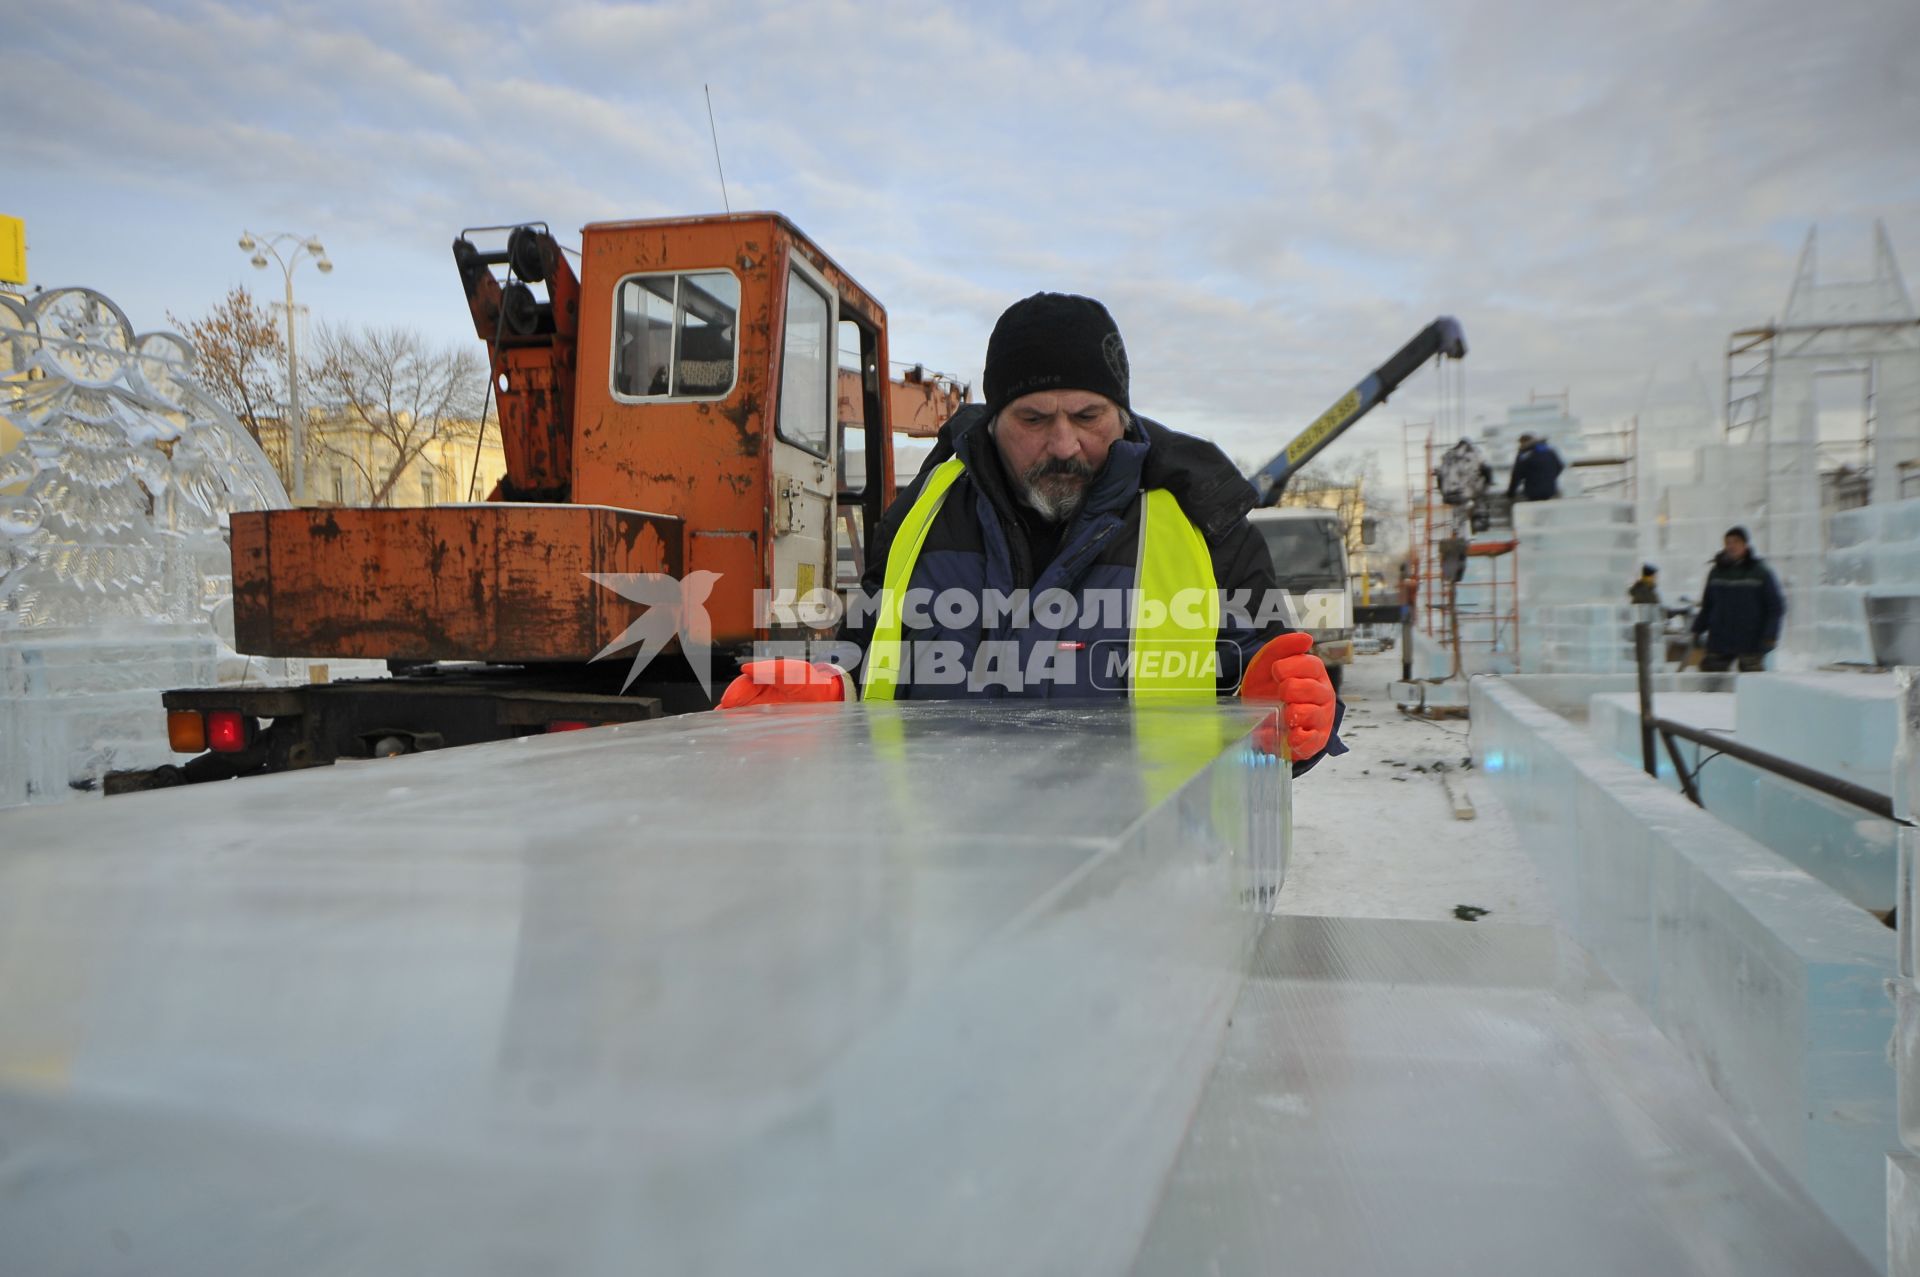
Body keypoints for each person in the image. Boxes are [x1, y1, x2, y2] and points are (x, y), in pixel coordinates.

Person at [718, 291, 1344, 771]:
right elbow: (867, 650)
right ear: (994, 419)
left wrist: (1286, 715)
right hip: (947, 881)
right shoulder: (926, 515)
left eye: (1088, 415)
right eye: (1034, 418)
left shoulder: (1202, 520)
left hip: (1150, 892)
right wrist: (829, 688)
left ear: (1122, 417)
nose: (1064, 443)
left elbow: (1277, 675)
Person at [1690, 527, 1784, 673]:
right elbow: (1708, 605)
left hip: (1751, 642)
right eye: (1728, 542)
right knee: (1710, 686)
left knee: (1752, 686)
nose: (1731, 546)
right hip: (1719, 640)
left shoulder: (1760, 572)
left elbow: (1775, 607)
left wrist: (1770, 636)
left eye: (1736, 542)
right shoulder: (1716, 573)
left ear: (1745, 545)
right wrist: (1697, 630)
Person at [1506, 432, 1564, 502]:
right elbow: (1560, 466)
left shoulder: (1524, 455)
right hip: (1550, 489)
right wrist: (1549, 477)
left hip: (1532, 492)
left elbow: (1516, 475)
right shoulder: (1549, 451)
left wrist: (1510, 493)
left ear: (1523, 442)